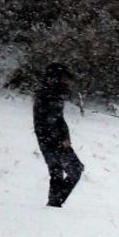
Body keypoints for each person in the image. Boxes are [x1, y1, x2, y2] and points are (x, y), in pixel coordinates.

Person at [33, 62, 84, 208]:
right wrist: (63, 139)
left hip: (46, 139)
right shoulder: (50, 94)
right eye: (64, 78)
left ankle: (54, 203)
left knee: (56, 172)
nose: (66, 81)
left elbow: (53, 120)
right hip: (53, 140)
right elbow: (53, 120)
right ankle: (55, 202)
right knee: (75, 169)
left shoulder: (49, 93)